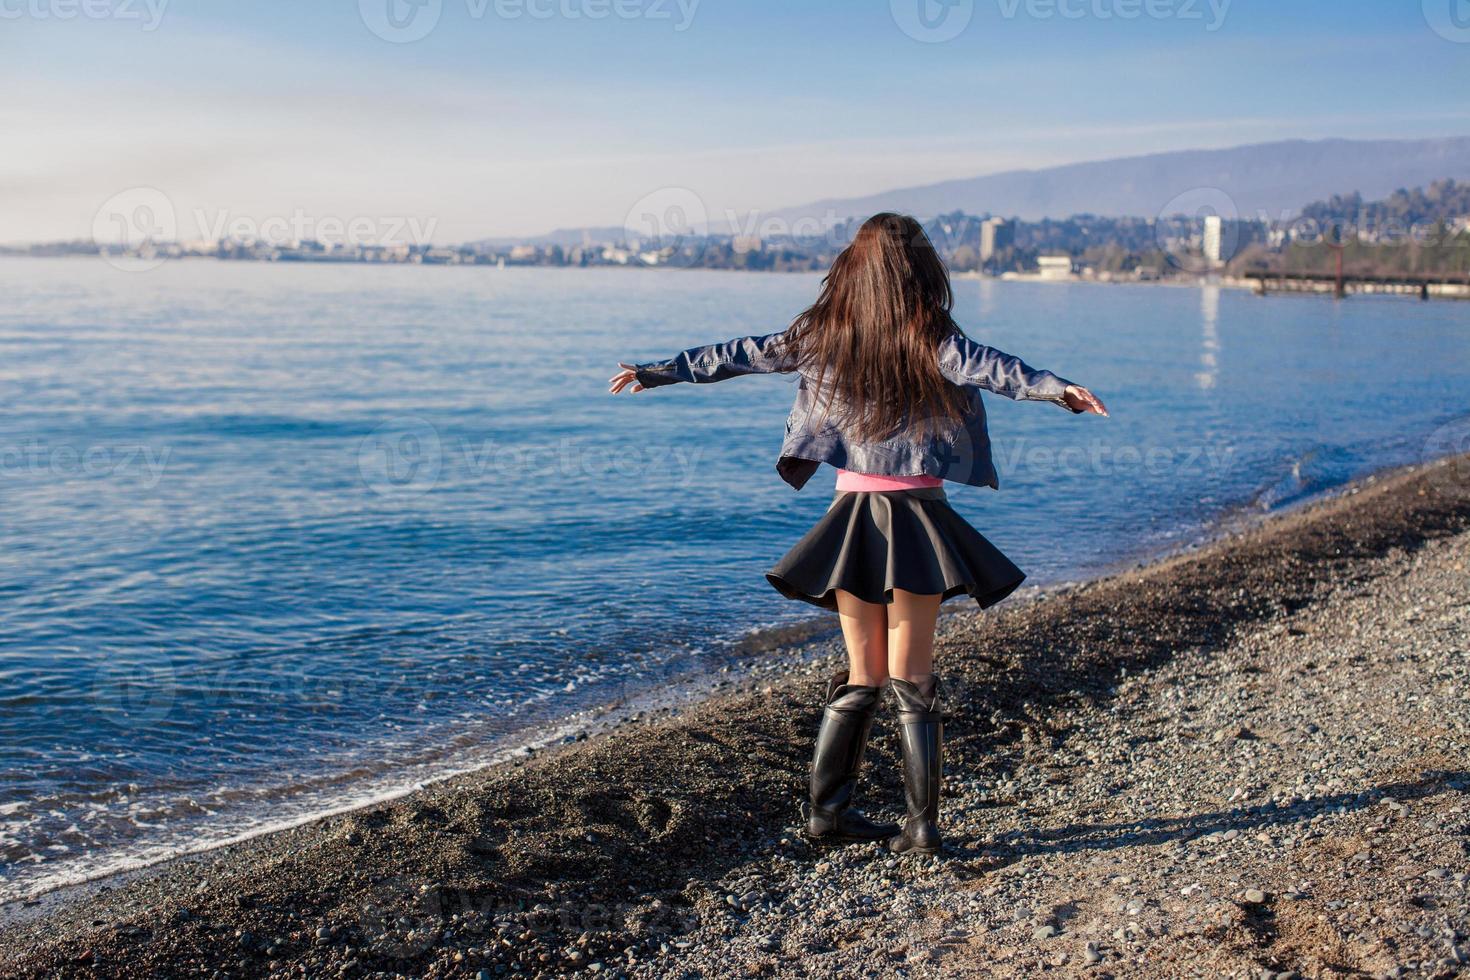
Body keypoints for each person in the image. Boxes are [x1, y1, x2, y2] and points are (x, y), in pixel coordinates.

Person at [609, 212, 1106, 856]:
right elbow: (997, 369)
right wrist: (1058, 389)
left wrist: (657, 371)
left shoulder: (824, 333)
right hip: (919, 524)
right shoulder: (931, 338)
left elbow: (738, 354)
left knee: (862, 673)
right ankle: (920, 827)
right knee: (913, 678)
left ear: (855, 268)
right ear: (918, 270)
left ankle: (827, 813)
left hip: (854, 523)